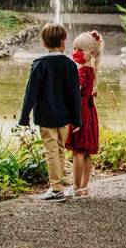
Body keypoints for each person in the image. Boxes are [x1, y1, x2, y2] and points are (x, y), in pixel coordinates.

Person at [18, 23, 82, 202]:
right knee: (60, 150)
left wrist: (24, 117)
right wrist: (77, 119)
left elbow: (31, 93)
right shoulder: (70, 65)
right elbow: (74, 95)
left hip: (46, 117)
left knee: (51, 151)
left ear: (44, 43)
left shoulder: (40, 64)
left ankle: (56, 189)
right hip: (65, 118)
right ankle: (59, 185)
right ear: (63, 42)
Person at [65, 30, 103, 198]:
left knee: (78, 152)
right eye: (74, 48)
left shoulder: (81, 71)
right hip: (89, 111)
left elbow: (77, 93)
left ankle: (75, 186)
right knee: (85, 152)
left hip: (80, 112)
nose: (75, 53)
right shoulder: (91, 69)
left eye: (79, 50)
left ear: (91, 53)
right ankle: (84, 187)